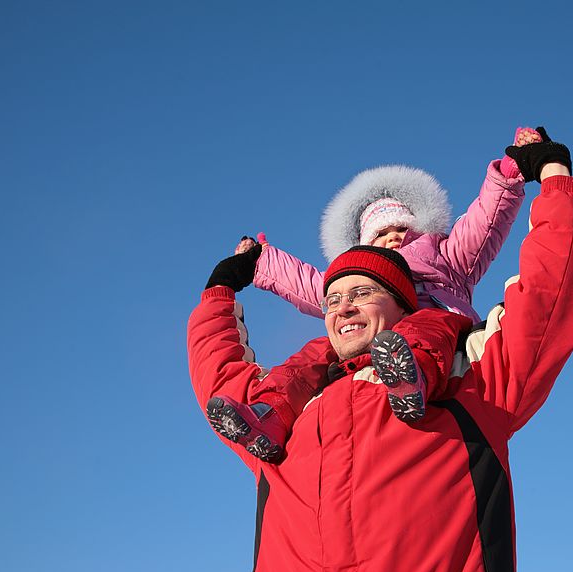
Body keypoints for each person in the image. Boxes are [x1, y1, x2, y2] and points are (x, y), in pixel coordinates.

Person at [187, 131, 573, 572]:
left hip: (434, 351)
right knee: (304, 362)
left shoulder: (471, 365)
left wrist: (524, 174)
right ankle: (269, 408)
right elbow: (295, 297)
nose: (344, 306)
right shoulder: (294, 425)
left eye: (363, 293)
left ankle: (411, 378)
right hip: (346, 377)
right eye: (336, 300)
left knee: (427, 331)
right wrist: (243, 273)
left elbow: (520, 260)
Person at [202, 127, 546, 461]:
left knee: (425, 323)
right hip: (371, 341)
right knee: (314, 354)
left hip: (436, 335)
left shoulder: (445, 257)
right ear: (367, 243)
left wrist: (508, 172)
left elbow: (485, 222)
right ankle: (269, 413)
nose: (395, 237)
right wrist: (261, 261)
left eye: (402, 228)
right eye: (383, 233)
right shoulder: (360, 275)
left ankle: (412, 379)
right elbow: (309, 286)